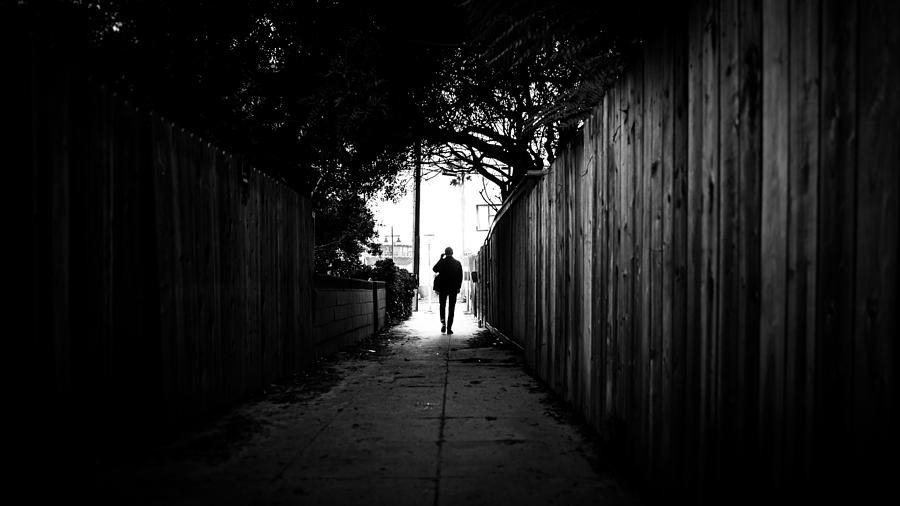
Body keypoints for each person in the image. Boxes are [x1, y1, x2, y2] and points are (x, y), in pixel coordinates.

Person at [432, 247, 463, 334]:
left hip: (442, 288)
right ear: (452, 252)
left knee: (442, 306)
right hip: (453, 288)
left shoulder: (442, 262)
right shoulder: (457, 263)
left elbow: (434, 269)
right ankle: (449, 327)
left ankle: (443, 324)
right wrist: (458, 287)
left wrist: (441, 259)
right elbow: (460, 276)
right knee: (451, 307)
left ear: (445, 253)